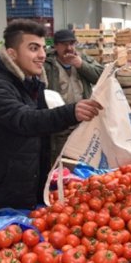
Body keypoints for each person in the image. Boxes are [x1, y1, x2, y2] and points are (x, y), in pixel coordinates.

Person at [0, 19, 102, 233]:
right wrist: (71, 112)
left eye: (42, 47)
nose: (42, 54)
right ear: (12, 54)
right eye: (33, 48)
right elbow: (25, 120)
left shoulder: (29, 83)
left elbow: (40, 133)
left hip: (15, 198)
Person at [43, 29, 104, 163]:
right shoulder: (47, 64)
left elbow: (103, 77)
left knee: (83, 160)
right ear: (56, 46)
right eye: (64, 44)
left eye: (72, 43)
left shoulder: (83, 59)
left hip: (83, 122)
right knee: (60, 162)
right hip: (60, 124)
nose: (69, 48)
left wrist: (81, 65)